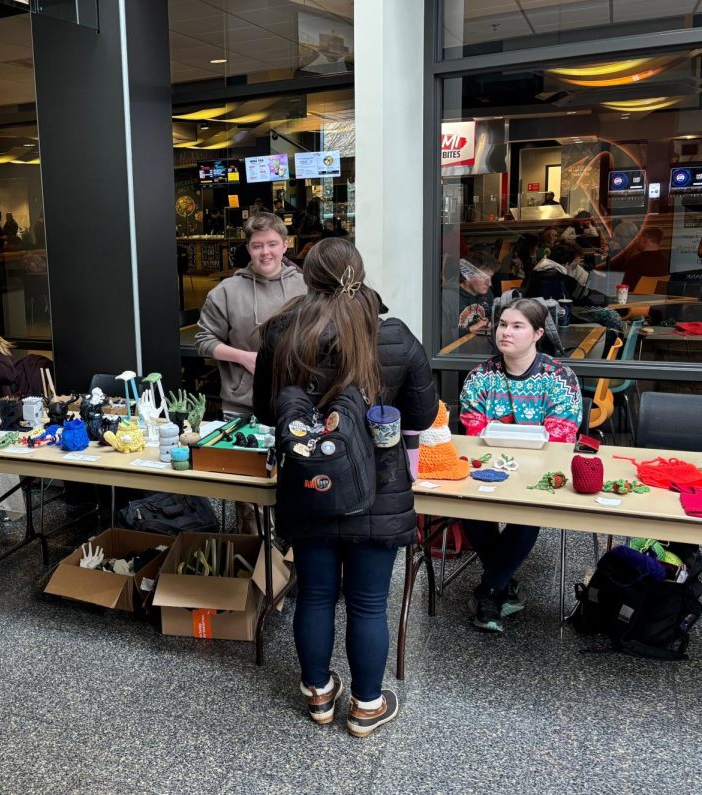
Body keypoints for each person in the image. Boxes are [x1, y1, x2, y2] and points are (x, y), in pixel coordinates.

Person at [253, 238, 438, 738]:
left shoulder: (281, 333)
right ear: (358, 274)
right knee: (368, 603)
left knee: (312, 596)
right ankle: (366, 706)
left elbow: (267, 413)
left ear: (306, 277)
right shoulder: (394, 335)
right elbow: (422, 414)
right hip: (380, 492)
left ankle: (317, 695)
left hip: (307, 485)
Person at [458, 298, 582, 633]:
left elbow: (561, 439)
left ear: (538, 333)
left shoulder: (560, 378)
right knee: (465, 505)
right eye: (502, 325)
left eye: (517, 326)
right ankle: (501, 582)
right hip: (488, 468)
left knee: (528, 511)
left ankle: (490, 589)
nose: (505, 333)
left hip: (539, 474)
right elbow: (473, 431)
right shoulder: (479, 376)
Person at [195, 213, 307, 418]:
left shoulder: (306, 288)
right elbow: (204, 341)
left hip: (298, 401)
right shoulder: (225, 292)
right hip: (242, 406)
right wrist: (244, 358)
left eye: (272, 244)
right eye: (257, 246)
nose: (265, 252)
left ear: (285, 245)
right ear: (248, 249)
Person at [522, 240, 625, 333]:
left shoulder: (535, 273)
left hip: (535, 318)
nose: (575, 269)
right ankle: (617, 349)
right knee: (611, 316)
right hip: (559, 320)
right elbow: (587, 299)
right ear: (566, 264)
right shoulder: (564, 279)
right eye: (574, 266)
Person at [441, 251, 498, 340]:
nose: (489, 283)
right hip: (455, 352)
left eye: (490, 277)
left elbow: (493, 318)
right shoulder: (446, 298)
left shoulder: (487, 293)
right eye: (483, 277)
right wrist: (469, 329)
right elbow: (440, 336)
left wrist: (489, 323)